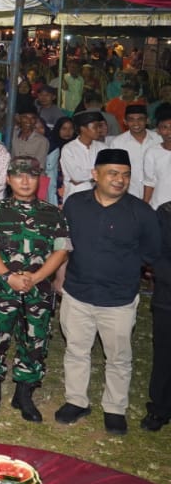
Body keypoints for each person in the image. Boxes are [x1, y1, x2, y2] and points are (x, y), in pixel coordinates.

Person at [56, 149, 160, 435]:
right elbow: (64, 244)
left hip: (118, 300)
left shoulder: (140, 212)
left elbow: (152, 252)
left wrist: (126, 268)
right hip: (77, 292)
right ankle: (76, 400)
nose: (120, 180)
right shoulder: (75, 204)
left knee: (119, 357)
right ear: (95, 175)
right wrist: (60, 276)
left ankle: (115, 408)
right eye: (113, 173)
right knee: (76, 350)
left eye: (125, 175)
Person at [0, 156, 70, 421]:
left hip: (38, 290)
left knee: (35, 340)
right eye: (18, 175)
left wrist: (37, 277)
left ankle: (24, 394)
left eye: (31, 175)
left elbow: (61, 251)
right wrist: (8, 276)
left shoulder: (53, 213)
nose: (25, 181)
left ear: (39, 179)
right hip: (3, 289)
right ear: (8, 179)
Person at [145, 198, 171, 431]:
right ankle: (160, 408)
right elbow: (155, 256)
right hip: (168, 299)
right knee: (164, 356)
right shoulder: (166, 212)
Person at [111, 104, 158, 200]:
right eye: (131, 119)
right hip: (129, 195)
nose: (136, 123)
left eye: (140, 119)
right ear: (125, 122)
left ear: (147, 120)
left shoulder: (159, 139)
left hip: (157, 195)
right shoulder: (117, 143)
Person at [60, 110, 109, 200]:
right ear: (83, 128)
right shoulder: (68, 149)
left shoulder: (103, 148)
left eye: (99, 126)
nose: (99, 130)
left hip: (99, 197)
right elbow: (76, 176)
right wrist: (97, 175)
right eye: (95, 127)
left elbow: (108, 171)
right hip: (75, 196)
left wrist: (86, 177)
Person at [10, 97, 49, 168]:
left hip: (33, 177)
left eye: (32, 118)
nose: (29, 121)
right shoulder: (12, 135)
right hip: (14, 175)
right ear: (18, 118)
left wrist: (16, 161)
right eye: (25, 117)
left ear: (36, 120)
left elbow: (37, 164)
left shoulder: (42, 141)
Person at [145, 107, 171, 209]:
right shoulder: (152, 152)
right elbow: (149, 182)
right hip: (159, 206)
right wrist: (145, 207)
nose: (169, 131)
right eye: (164, 127)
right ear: (158, 131)